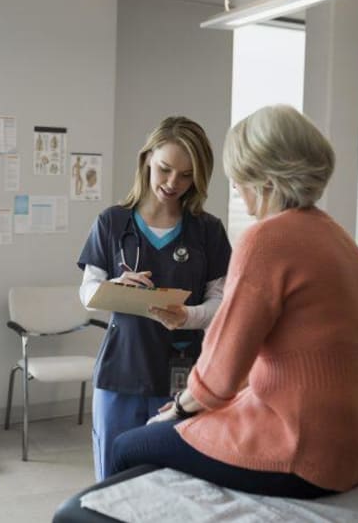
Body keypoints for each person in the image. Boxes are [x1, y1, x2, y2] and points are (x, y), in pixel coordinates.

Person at [110, 105, 358, 498]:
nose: (238, 191)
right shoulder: (341, 240)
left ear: (266, 180)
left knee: (128, 445)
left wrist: (177, 410)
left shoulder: (266, 239)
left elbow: (219, 374)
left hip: (310, 453)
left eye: (239, 179)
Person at [77, 116, 232, 481]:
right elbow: (87, 293)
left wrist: (187, 316)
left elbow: (221, 304)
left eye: (185, 175)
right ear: (147, 158)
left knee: (173, 481)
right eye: (164, 169)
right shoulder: (112, 222)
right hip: (121, 373)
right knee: (113, 478)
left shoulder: (207, 231)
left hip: (184, 378)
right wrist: (114, 286)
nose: (172, 183)